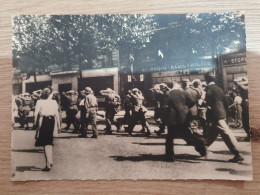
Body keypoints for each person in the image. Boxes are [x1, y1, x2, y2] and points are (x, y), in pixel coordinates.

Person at [204, 72, 243, 162]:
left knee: (226, 133)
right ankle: (203, 149)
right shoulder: (219, 88)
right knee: (211, 134)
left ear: (206, 79)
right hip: (221, 113)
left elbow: (208, 101)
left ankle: (237, 154)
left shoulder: (208, 88)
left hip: (215, 115)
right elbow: (225, 101)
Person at [165, 83, 207, 162]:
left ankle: (169, 156)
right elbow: (192, 101)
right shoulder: (183, 92)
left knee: (169, 138)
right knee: (187, 135)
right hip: (183, 117)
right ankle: (201, 145)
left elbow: (166, 105)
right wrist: (185, 107)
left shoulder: (168, 94)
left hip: (172, 118)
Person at [34, 88, 60, 171]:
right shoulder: (54, 102)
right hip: (52, 121)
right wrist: (59, 126)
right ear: (50, 94)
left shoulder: (39, 102)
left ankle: (48, 163)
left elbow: (35, 114)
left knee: (45, 143)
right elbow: (57, 115)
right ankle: (50, 161)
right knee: (49, 142)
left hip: (43, 121)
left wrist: (35, 124)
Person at [234, 76, 251, 141]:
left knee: (245, 120)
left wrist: (241, 79)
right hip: (248, 102)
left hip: (246, 104)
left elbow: (235, 80)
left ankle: (249, 135)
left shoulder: (242, 86)